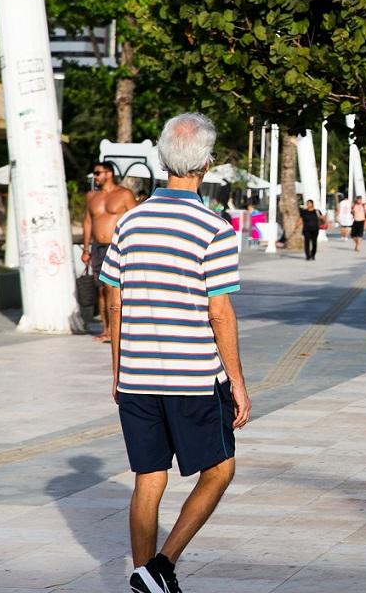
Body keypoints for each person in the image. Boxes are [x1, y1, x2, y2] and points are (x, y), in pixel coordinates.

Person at [99, 113, 250, 593]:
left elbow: (115, 300)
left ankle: (146, 578)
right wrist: (238, 382)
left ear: (163, 159)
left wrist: (118, 370)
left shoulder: (130, 222)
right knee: (220, 468)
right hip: (194, 379)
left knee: (148, 477)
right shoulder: (214, 228)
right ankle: (161, 566)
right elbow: (220, 312)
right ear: (206, 163)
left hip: (137, 376)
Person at [81, 162, 136, 343]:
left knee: (114, 289)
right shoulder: (92, 196)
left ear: (109, 173)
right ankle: (106, 330)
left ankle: (116, 329)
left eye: (98, 173)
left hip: (117, 246)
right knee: (101, 290)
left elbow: (135, 219)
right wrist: (86, 249)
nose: (95, 177)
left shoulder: (124, 194)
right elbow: (88, 222)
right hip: (97, 247)